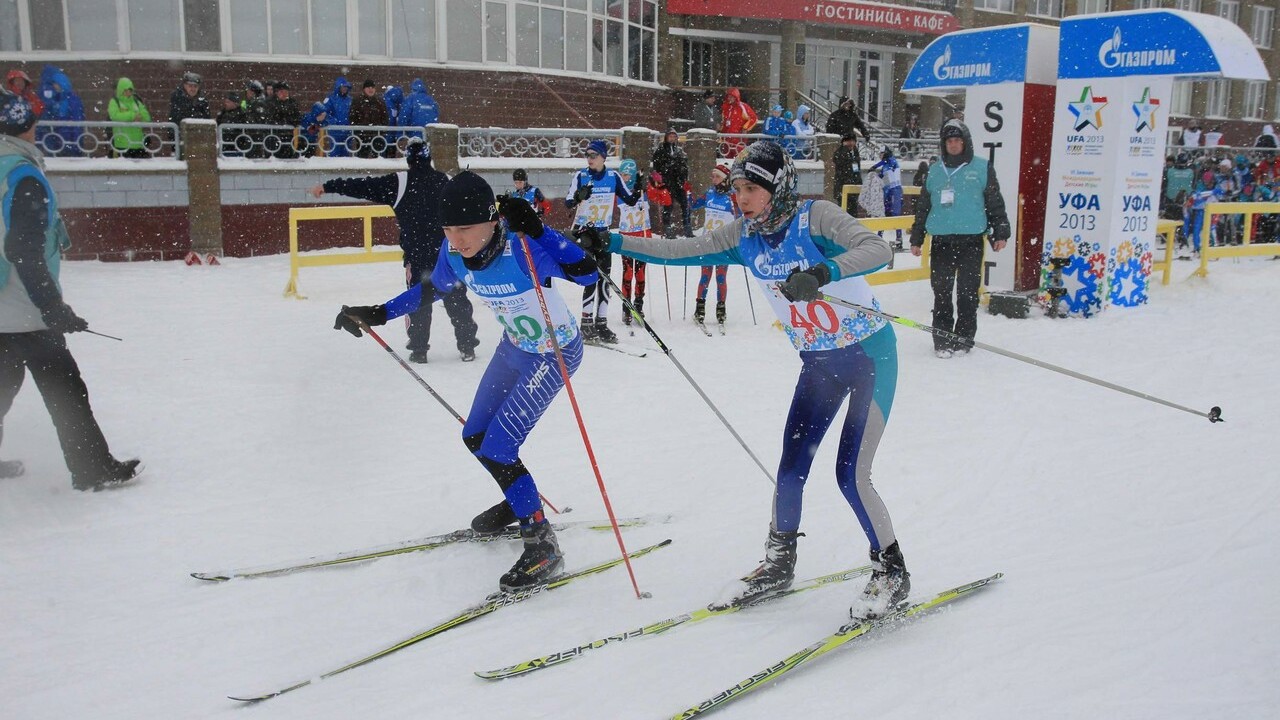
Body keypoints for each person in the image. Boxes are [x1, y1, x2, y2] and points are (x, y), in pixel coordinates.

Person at [604, 140, 909, 619]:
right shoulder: (743, 237)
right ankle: (778, 564)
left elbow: (878, 248)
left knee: (850, 473)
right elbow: (679, 250)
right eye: (737, 189)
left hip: (869, 355)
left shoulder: (816, 218)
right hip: (820, 363)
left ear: (778, 187)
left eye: (751, 189)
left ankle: (891, 571)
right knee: (791, 468)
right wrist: (614, 242)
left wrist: (822, 271)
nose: (741, 198)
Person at [333, 173, 598, 590]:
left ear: (493, 220)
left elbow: (587, 274)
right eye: (449, 229)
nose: (457, 239)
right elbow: (431, 290)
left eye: (466, 228)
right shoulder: (453, 253)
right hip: (515, 346)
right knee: (475, 436)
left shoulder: (521, 247)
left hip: (554, 353)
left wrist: (539, 230)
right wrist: (378, 313)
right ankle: (518, 501)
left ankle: (542, 544)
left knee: (500, 447)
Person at [0, 91, 142, 490]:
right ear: (25, 126)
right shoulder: (23, 176)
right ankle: (92, 469)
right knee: (65, 391)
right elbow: (23, 249)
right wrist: (51, 306)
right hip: (24, 309)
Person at [309, 138, 479, 363]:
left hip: (417, 255)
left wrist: (329, 186)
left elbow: (362, 186)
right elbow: (472, 210)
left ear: (408, 159)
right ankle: (467, 346)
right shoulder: (446, 181)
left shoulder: (399, 182)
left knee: (417, 302)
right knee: (457, 299)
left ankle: (419, 350)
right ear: (429, 158)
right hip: (447, 253)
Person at [909, 120, 1011, 358]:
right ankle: (942, 339)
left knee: (967, 293)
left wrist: (1001, 231)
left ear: (966, 143)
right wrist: (917, 237)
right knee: (942, 292)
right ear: (944, 144)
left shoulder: (982, 167)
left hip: (971, 241)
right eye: (949, 141)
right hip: (942, 241)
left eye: (957, 140)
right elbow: (923, 206)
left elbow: (994, 202)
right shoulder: (935, 170)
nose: (953, 145)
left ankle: (963, 339)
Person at [564, 139, 642, 344]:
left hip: (603, 235)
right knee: (591, 277)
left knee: (605, 280)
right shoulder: (581, 176)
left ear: (603, 157)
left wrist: (639, 188)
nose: (589, 159)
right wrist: (579, 196)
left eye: (593, 155)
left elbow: (630, 200)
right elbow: (568, 203)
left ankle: (601, 323)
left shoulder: (613, 177)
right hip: (585, 235)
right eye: (587, 155)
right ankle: (586, 324)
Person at [688, 164, 737, 327]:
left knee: (721, 277)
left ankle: (721, 309)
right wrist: (687, 194)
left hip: (723, 244)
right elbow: (693, 205)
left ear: (725, 179)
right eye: (712, 176)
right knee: (705, 276)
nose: (713, 179)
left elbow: (742, 218)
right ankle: (699, 309)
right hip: (708, 243)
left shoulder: (733, 197)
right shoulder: (709, 193)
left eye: (717, 176)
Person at [615, 159, 650, 325]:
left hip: (642, 236)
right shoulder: (620, 190)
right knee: (627, 273)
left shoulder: (643, 189)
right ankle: (626, 307)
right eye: (622, 174)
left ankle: (639, 304)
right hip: (626, 237)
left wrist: (654, 185)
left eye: (627, 174)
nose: (624, 177)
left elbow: (665, 200)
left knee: (640, 273)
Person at [650, 128, 691, 238]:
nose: (672, 139)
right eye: (670, 136)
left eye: (674, 137)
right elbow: (657, 167)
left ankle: (687, 228)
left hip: (678, 182)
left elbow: (684, 166)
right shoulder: (661, 150)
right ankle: (667, 229)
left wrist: (683, 176)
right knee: (668, 206)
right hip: (667, 183)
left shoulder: (679, 151)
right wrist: (662, 175)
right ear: (666, 137)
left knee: (685, 205)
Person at [37, 66, 84, 157]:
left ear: (62, 84)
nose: (54, 86)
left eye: (56, 84)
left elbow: (76, 119)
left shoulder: (71, 99)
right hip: (60, 137)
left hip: (67, 136)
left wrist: (76, 141)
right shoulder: (57, 98)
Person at [107, 78, 152, 159]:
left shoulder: (136, 102)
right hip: (121, 145)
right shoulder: (115, 102)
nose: (128, 93)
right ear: (120, 90)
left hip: (138, 144)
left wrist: (139, 117)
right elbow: (114, 116)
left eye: (130, 90)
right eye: (125, 90)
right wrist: (132, 116)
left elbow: (147, 117)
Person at [871, 148, 904, 249]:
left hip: (895, 191)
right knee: (883, 214)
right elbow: (880, 177)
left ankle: (899, 239)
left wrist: (875, 166)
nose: (880, 156)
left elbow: (887, 161)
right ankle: (879, 237)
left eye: (881, 153)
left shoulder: (892, 161)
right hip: (887, 192)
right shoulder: (885, 166)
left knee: (895, 215)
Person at [349, 80, 389, 158]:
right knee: (362, 158)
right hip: (362, 136)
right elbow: (352, 117)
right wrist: (358, 131)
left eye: (372, 87)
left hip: (377, 135)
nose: (371, 89)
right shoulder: (357, 101)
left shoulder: (380, 102)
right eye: (368, 87)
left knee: (377, 159)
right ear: (364, 89)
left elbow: (385, 117)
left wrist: (382, 131)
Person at [719, 88, 759, 158]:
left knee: (739, 159)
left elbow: (754, 118)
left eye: (731, 97)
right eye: (728, 97)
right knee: (726, 160)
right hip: (727, 139)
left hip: (739, 139)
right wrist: (721, 132)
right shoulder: (726, 107)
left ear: (736, 97)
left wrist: (745, 128)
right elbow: (724, 123)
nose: (729, 98)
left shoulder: (743, 107)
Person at [831, 132, 863, 217]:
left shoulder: (855, 152)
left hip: (853, 188)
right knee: (844, 213)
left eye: (853, 141)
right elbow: (840, 162)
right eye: (848, 141)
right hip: (842, 187)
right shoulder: (840, 152)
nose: (851, 143)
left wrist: (858, 182)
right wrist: (845, 149)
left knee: (853, 213)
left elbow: (856, 170)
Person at [322, 77, 353, 156]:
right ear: (338, 87)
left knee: (346, 156)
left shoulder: (350, 100)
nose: (345, 89)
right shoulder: (331, 99)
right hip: (335, 132)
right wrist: (333, 121)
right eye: (343, 87)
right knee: (334, 154)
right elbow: (324, 112)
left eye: (346, 87)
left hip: (347, 132)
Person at [270, 81, 301, 158]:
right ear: (276, 93)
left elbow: (296, 118)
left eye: (286, 92)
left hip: (289, 137)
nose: (284, 94)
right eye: (281, 92)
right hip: (273, 136)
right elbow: (271, 117)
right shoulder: (270, 102)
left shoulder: (292, 103)